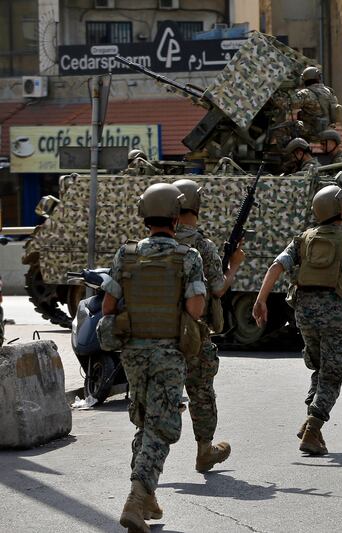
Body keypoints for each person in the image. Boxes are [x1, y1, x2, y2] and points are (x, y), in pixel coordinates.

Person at [101, 183, 206, 532]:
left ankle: (148, 499)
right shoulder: (187, 256)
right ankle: (136, 494)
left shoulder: (126, 254)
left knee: (147, 421)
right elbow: (195, 307)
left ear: (144, 215)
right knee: (163, 424)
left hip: (132, 351)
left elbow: (108, 306)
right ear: (176, 217)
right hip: (167, 352)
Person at [252, 185, 342, 455]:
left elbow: (276, 266)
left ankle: (311, 418)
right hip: (337, 314)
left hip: (304, 312)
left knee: (320, 368)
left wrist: (261, 299)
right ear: (341, 210)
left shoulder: (303, 239)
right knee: (334, 374)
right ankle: (313, 427)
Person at [173, 179, 245, 473]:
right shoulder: (202, 246)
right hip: (194, 331)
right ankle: (205, 450)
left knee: (158, 394)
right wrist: (234, 266)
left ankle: (144, 456)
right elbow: (217, 289)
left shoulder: (154, 242)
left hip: (157, 331)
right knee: (201, 391)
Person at [293, 66, 341, 141]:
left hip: (311, 133)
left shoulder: (305, 93)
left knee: (284, 127)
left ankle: (286, 150)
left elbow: (289, 105)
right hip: (328, 131)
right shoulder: (329, 91)